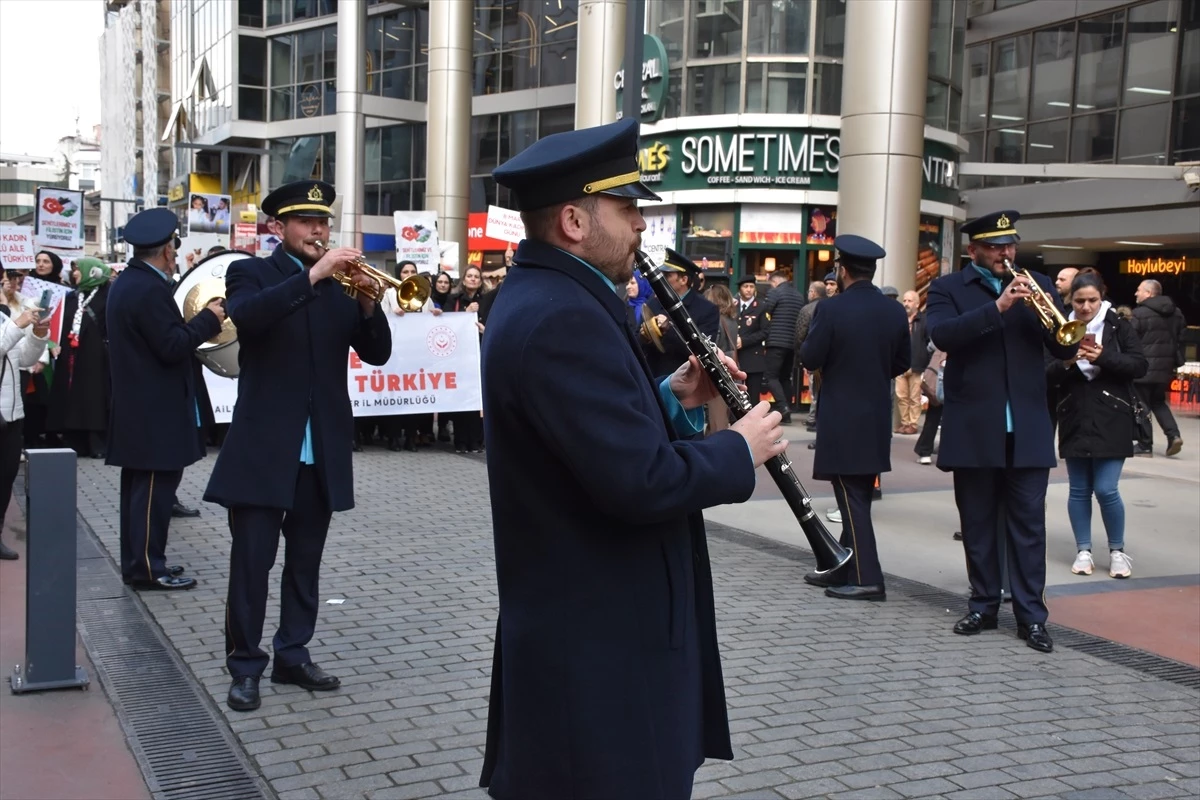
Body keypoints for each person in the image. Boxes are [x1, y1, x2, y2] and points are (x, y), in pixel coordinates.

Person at [481, 117, 786, 799]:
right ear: (574, 221)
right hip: (599, 657)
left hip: (599, 640)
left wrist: (668, 395)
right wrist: (738, 448)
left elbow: (587, 437)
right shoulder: (563, 314)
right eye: (628, 208)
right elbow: (637, 481)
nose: (642, 225)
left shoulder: (554, 298)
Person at [203, 181, 392, 713]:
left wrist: (368, 306)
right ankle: (244, 666)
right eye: (307, 222)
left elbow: (376, 354)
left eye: (324, 221)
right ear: (276, 229)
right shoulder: (250, 272)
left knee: (304, 564)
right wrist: (314, 275)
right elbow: (251, 317)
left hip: (320, 452)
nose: (319, 230)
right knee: (251, 565)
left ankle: (293, 653)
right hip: (265, 449)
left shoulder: (342, 287)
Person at [926, 210, 1078, 654]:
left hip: (1027, 428)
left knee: (1030, 527)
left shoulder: (1042, 286)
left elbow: (1062, 344)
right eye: (996, 246)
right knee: (976, 524)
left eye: (1010, 244)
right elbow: (943, 335)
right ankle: (983, 604)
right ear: (973, 250)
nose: (1006, 253)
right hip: (974, 428)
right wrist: (998, 307)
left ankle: (1032, 617)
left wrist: (1066, 331)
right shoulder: (948, 288)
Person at [106, 208, 225, 591]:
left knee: (143, 492)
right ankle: (146, 569)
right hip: (152, 411)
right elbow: (172, 346)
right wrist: (208, 318)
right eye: (174, 245)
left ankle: (143, 561)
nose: (176, 252)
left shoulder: (133, 283)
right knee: (152, 495)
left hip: (143, 408)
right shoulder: (147, 288)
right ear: (167, 250)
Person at [799, 235, 909, 602]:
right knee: (856, 495)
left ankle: (867, 578)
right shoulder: (894, 310)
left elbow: (810, 358)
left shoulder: (831, 309)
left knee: (852, 501)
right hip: (876, 416)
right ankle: (843, 565)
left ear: (842, 270)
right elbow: (902, 363)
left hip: (843, 417)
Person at [1046, 271, 1147, 579]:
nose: (1086, 307)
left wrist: (1104, 356)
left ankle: (1117, 551)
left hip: (1112, 414)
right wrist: (1067, 361)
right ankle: (1083, 550)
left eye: (1092, 300)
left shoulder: (1119, 325)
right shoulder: (1059, 325)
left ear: (1102, 296)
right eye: (1079, 301)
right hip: (1074, 412)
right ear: (1070, 301)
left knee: (1106, 489)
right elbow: (1044, 371)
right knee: (1078, 490)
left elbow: (1139, 366)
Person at [0, 303, 52, 561]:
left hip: (10, 413)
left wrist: (37, 335)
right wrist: (17, 325)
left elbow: (24, 359)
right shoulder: (10, 321)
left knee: (6, 476)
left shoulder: (3, 316)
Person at [47, 258, 112, 459]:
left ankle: (96, 443)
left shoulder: (108, 296)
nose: (74, 274)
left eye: (78, 270)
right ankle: (74, 440)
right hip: (72, 357)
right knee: (72, 398)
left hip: (96, 358)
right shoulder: (71, 297)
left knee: (93, 398)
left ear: (93, 272)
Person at [639, 249, 720, 380]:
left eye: (667, 276)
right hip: (655, 379)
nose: (661, 280)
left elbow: (703, 352)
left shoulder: (707, 309)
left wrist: (669, 329)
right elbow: (638, 345)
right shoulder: (653, 304)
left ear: (683, 279)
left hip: (688, 382)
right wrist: (645, 335)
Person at [1130, 279, 1185, 457]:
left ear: (1149, 293)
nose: (1136, 294)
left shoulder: (1139, 313)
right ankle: (1173, 435)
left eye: (1139, 290)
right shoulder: (1176, 313)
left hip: (1143, 367)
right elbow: (1181, 336)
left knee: (1141, 405)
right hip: (1165, 367)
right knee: (1158, 402)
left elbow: (1131, 340)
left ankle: (1145, 444)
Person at [759, 272, 805, 422]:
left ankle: (782, 407)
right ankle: (787, 411)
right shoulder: (799, 296)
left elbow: (766, 311)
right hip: (792, 343)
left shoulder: (775, 292)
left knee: (771, 376)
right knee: (785, 378)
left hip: (776, 341)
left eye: (771, 283)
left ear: (775, 281)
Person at [895, 290, 929, 435]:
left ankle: (913, 424)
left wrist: (925, 363)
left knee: (914, 398)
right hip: (901, 365)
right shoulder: (899, 319)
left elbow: (928, 342)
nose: (906, 304)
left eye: (909, 301)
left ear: (917, 303)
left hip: (917, 365)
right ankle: (904, 423)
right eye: (904, 300)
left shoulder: (924, 320)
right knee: (901, 396)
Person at [735, 275, 767, 409]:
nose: (748, 290)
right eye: (745, 287)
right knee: (736, 395)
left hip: (753, 358)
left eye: (751, 287)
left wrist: (744, 341)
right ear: (740, 289)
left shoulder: (761, 306)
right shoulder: (733, 304)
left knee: (752, 397)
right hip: (735, 358)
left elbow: (765, 332)